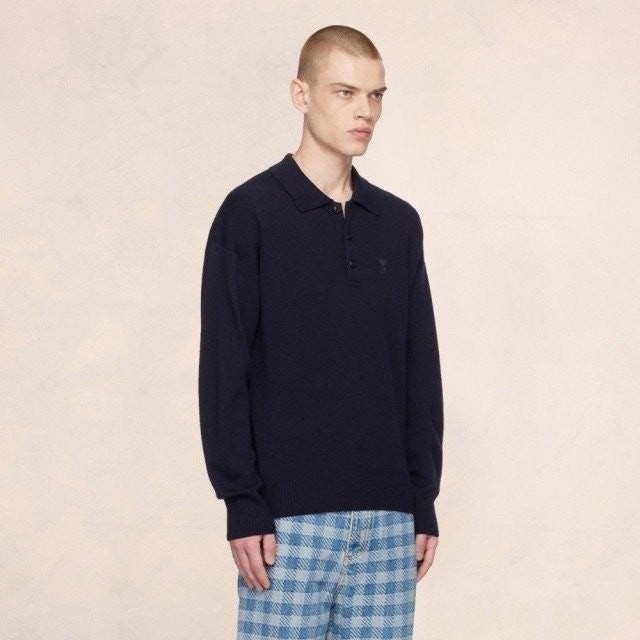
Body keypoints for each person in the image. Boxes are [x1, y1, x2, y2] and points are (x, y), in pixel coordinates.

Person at [198, 24, 444, 640]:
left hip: (389, 521)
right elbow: (224, 369)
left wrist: (422, 499)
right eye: (346, 92)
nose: (366, 112)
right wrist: (242, 501)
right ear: (301, 94)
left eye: (376, 95)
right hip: (287, 525)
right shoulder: (250, 214)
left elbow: (419, 371)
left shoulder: (398, 224)